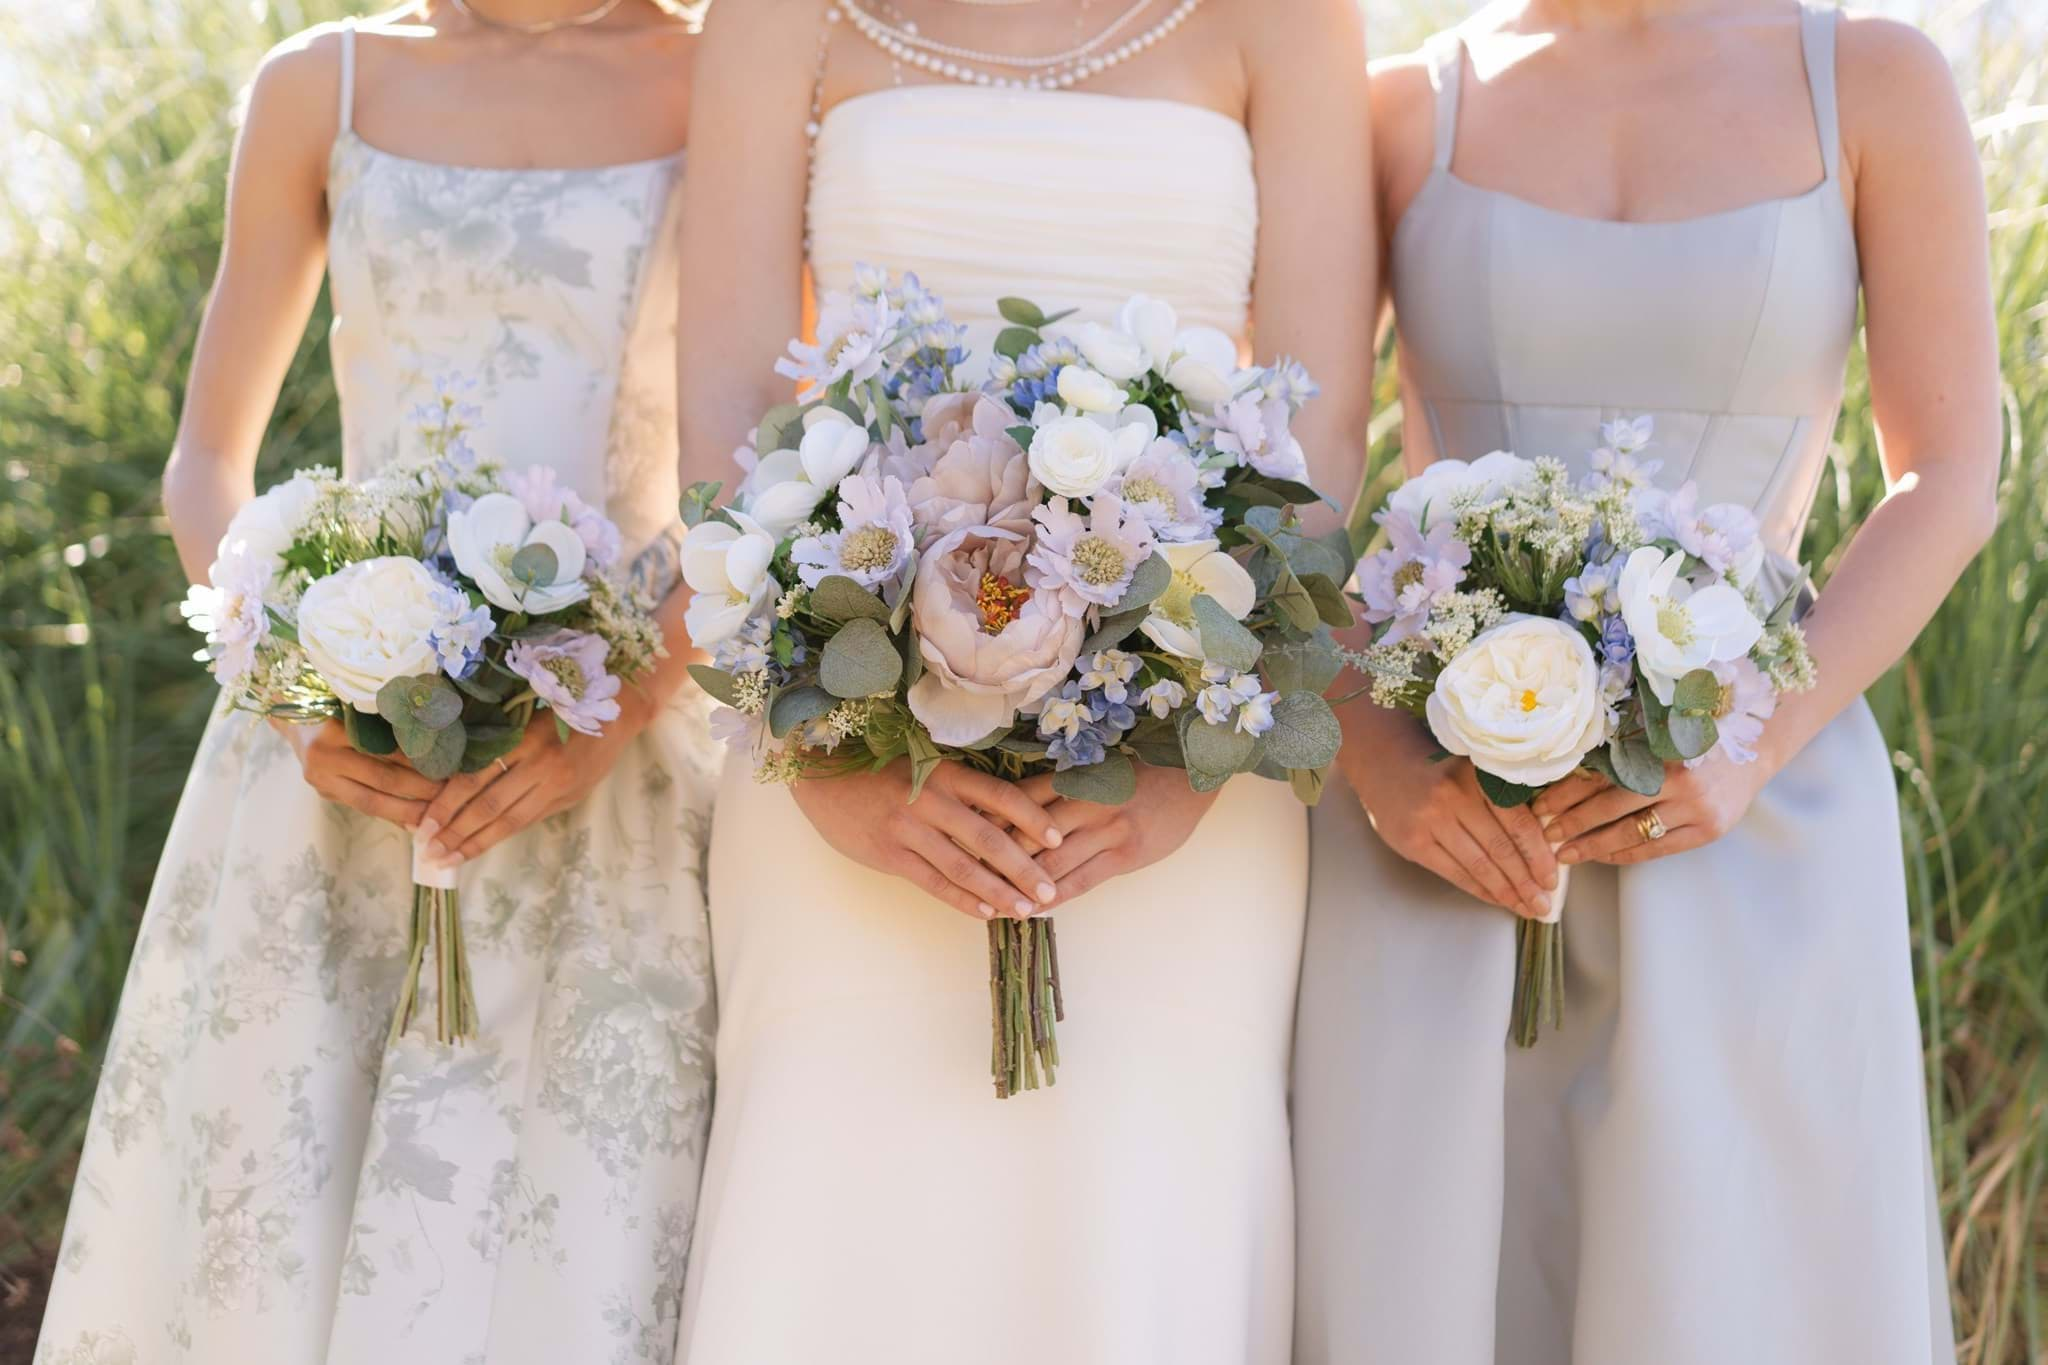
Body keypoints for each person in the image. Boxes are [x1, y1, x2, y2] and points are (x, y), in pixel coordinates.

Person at [668, 1, 1373, 1361]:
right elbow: (726, 418)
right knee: (842, 1235)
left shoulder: (1290, 20)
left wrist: (1185, 770)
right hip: (845, 745)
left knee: (1142, 1233)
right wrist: (832, 765)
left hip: (1185, 773)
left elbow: (1321, 425)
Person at [1293, 3, 1998, 1362]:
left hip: (1748, 818)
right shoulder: (1398, 109)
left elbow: (1950, 478)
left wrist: (1749, 741)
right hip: (1446, 833)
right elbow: (1301, 500)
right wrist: (1381, 771)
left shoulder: (1874, 83)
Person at [35, 4, 719, 1361]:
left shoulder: (719, 81)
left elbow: (747, 471)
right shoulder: (322, 83)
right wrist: (290, 684)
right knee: (289, 1196)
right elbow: (206, 465)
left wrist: (620, 705)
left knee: (571, 1214)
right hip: (337, 747)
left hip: (609, 738)